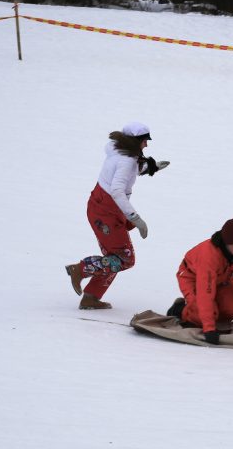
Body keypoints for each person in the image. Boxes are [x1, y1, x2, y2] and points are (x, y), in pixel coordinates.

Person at [65, 122, 165, 310]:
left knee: (114, 258)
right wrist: (136, 218)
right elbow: (118, 190)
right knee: (125, 259)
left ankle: (91, 297)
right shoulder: (127, 160)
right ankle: (80, 269)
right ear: (135, 141)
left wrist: (151, 168)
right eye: (144, 141)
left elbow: (125, 172)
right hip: (106, 212)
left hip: (103, 208)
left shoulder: (120, 152)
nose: (147, 145)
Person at [167, 219, 233, 345]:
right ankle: (180, 309)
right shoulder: (209, 256)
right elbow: (206, 292)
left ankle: (211, 311)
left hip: (222, 279)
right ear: (227, 244)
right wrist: (209, 328)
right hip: (193, 278)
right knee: (203, 315)